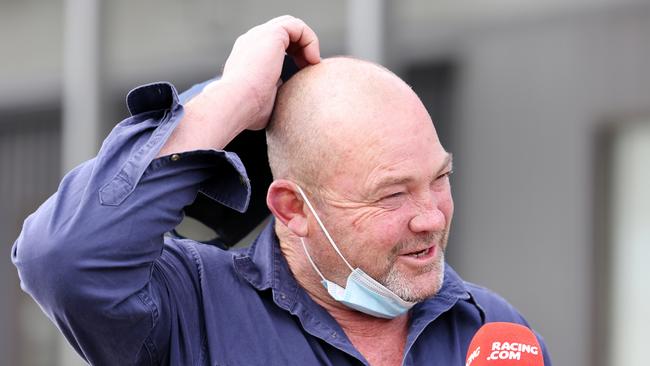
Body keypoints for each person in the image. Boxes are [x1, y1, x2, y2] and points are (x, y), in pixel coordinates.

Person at [12, 16, 551, 366]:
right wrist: (232, 101)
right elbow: (63, 257)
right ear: (292, 208)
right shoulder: (192, 308)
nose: (431, 217)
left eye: (440, 178)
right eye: (392, 196)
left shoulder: (493, 330)